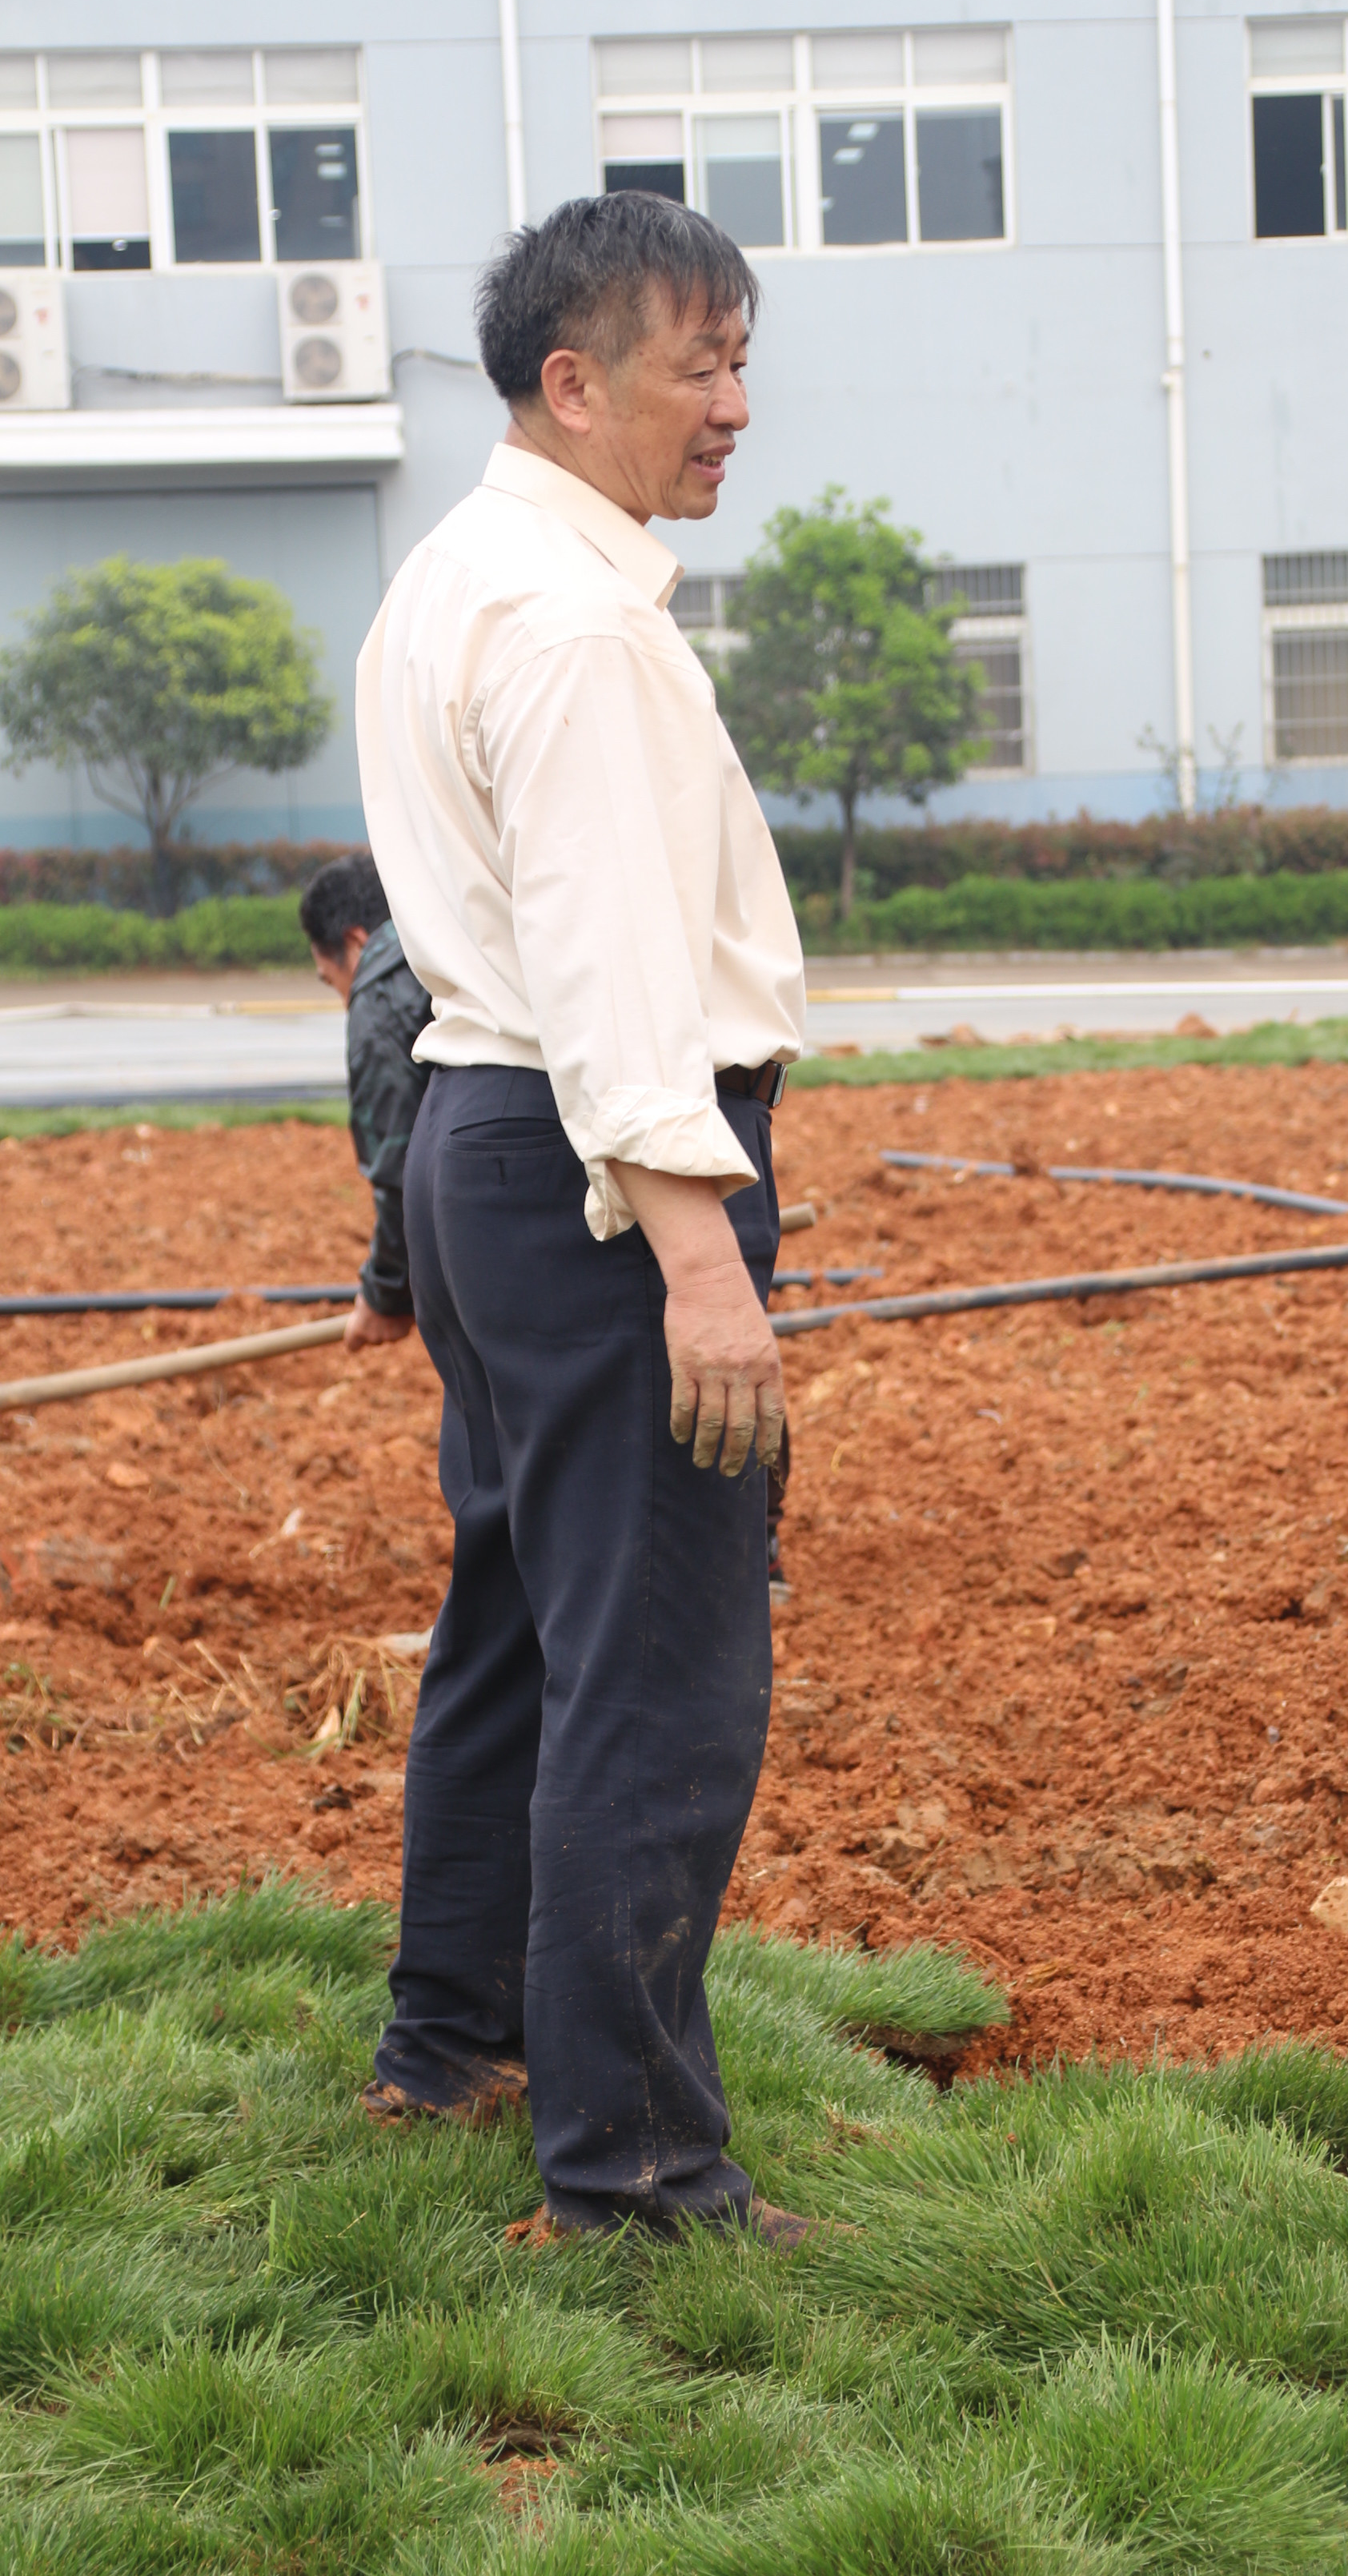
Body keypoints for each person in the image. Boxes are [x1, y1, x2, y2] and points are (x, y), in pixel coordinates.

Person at [353, 193, 807, 2246]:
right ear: (572, 381)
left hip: (485, 1143)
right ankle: (633, 2175)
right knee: (658, 1674)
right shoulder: (580, 625)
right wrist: (701, 1257)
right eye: (697, 366)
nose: (733, 406)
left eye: (741, 360)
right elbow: (613, 971)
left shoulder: (454, 574)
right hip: (601, 1173)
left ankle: (452, 2042)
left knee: (520, 1630)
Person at [299, 849, 434, 1352]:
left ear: (355, 943)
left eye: (332, 981)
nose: (344, 1000)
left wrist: (384, 1296)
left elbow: (401, 1170)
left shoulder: (378, 999)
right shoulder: (450, 940)